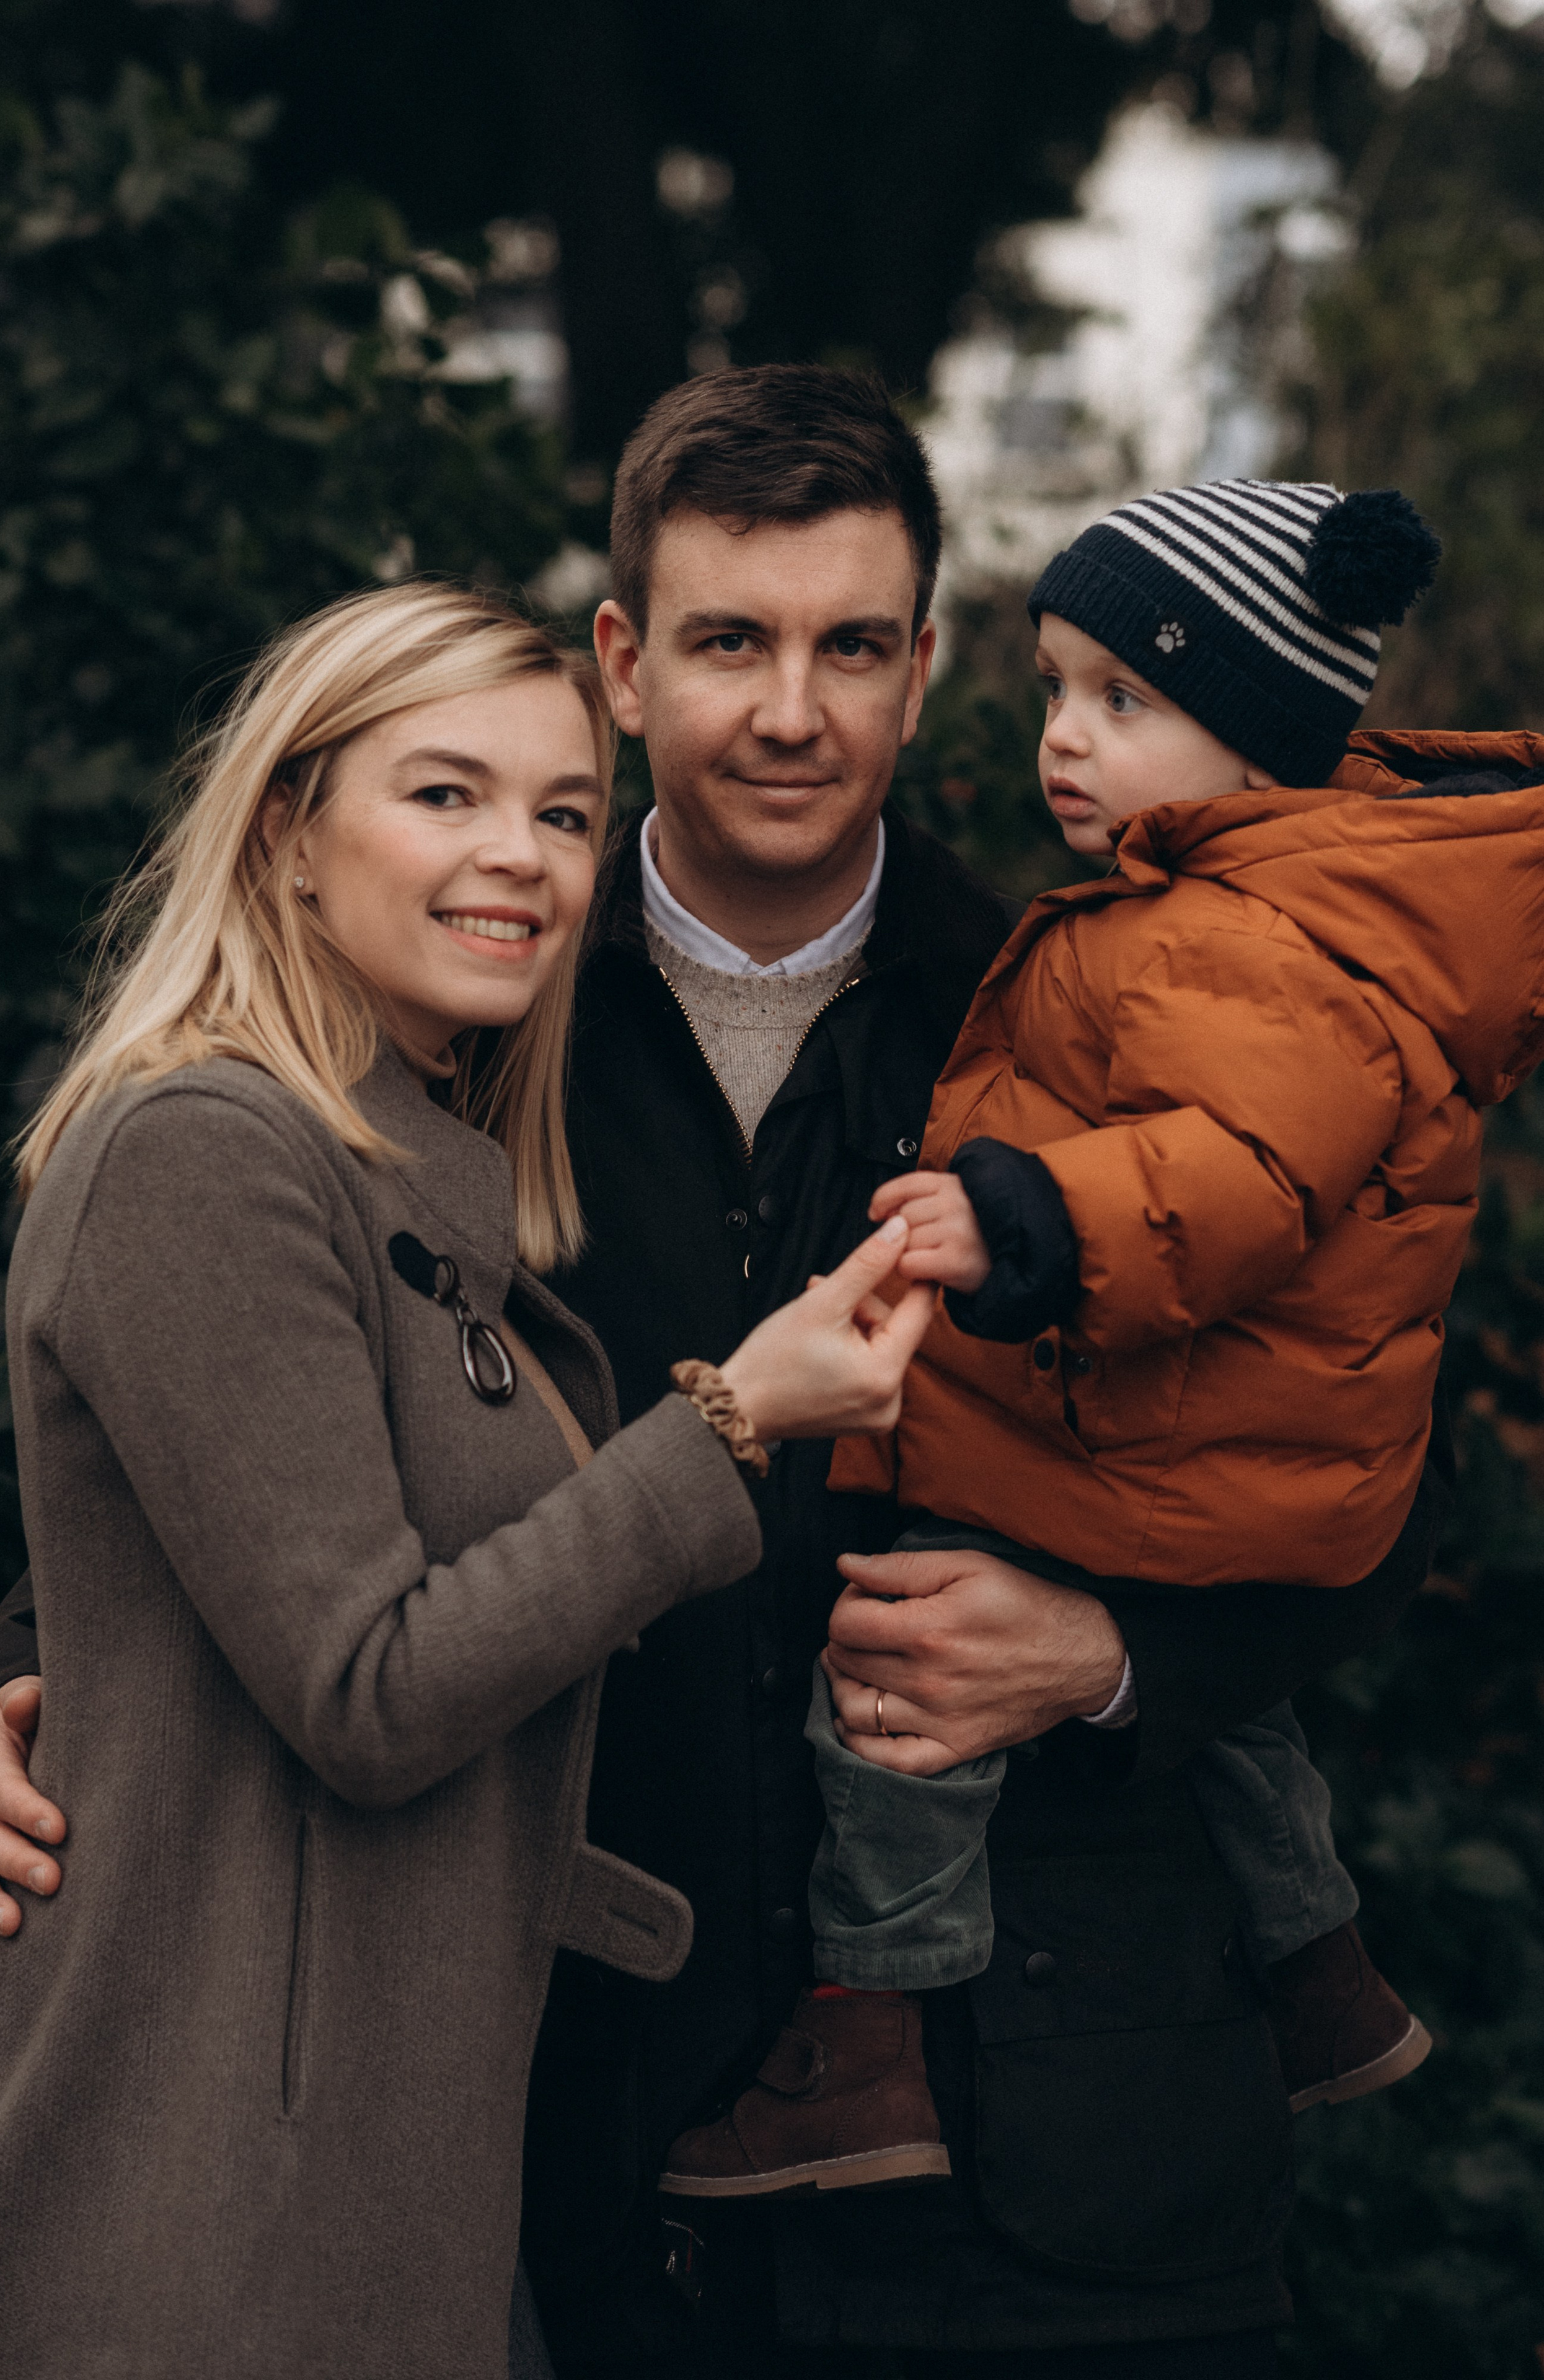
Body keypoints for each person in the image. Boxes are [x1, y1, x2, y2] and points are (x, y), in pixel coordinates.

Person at [0, 377, 1452, 2378]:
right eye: (730, 642)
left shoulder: (1119, 1009)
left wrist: (1110, 1655)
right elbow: (227, 1450)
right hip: (582, 2151)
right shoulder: (453, 1001)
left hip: (1063, 2148)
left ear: (925, 673)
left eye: (854, 648)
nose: (791, 713)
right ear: (623, 661)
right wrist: (19, 1697)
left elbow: (1358, 1448)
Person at [0, 578, 937, 2380]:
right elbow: (368, 1690)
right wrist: (730, 1421)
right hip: (210, 2208)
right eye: (445, 793)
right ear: (289, 830)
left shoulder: (416, 1170)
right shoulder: (203, 1147)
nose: (523, 858)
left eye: (564, 813)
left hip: (394, 2172)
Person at [660, 475, 1544, 2201]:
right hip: (1224, 1472)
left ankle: (867, 2031)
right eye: (1058, 688)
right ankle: (1322, 1975)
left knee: (890, 1699)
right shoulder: (1234, 921)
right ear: (630, 662)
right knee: (1239, 1731)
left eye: (1125, 699)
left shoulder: (1245, 945)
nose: (1065, 737)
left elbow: (1240, 1170)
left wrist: (1028, 1221)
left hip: (1082, 2117)